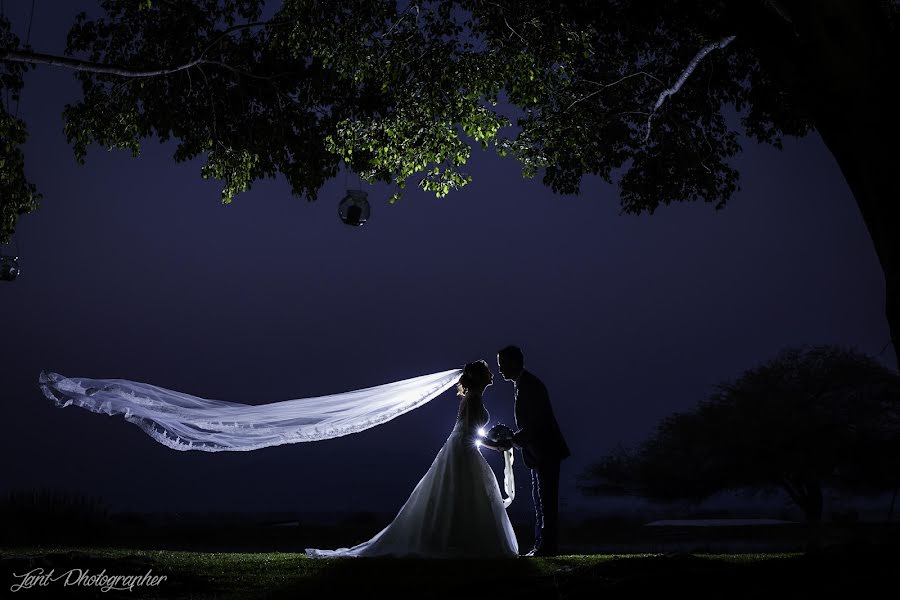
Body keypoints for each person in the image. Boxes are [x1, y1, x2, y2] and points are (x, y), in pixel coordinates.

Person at [305, 360, 519, 558]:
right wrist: (496, 445)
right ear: (481, 377)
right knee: (463, 493)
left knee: (460, 495)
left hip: (462, 448)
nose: (493, 374)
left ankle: (457, 540)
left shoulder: (473, 398)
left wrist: (492, 443)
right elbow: (470, 435)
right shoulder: (473, 399)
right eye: (488, 371)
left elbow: (470, 432)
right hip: (463, 450)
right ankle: (460, 543)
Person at [497, 345, 570, 557]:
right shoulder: (523, 384)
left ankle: (547, 546)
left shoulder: (531, 385)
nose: (500, 369)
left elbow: (538, 422)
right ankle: (541, 544)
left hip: (546, 450)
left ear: (514, 362)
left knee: (546, 500)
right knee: (540, 499)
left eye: (502, 364)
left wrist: (513, 439)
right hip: (537, 451)